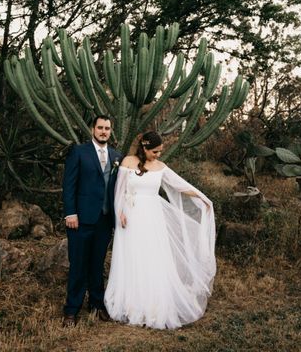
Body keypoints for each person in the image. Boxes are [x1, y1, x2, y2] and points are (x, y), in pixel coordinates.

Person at [104, 131, 216, 329]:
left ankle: (154, 303)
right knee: (133, 256)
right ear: (144, 148)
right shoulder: (128, 162)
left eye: (160, 151)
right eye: (155, 151)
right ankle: (131, 303)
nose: (158, 155)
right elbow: (118, 190)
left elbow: (180, 185)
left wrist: (201, 198)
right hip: (130, 216)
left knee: (152, 256)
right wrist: (119, 211)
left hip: (152, 217)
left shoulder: (161, 167)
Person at [62, 115, 123, 327]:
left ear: (110, 130)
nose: (104, 131)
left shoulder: (117, 156)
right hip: (80, 219)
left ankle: (96, 305)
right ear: (92, 129)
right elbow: (69, 185)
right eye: (100, 128)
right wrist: (70, 213)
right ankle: (71, 310)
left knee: (97, 265)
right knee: (78, 265)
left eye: (107, 128)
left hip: (104, 220)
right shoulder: (79, 152)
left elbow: (120, 188)